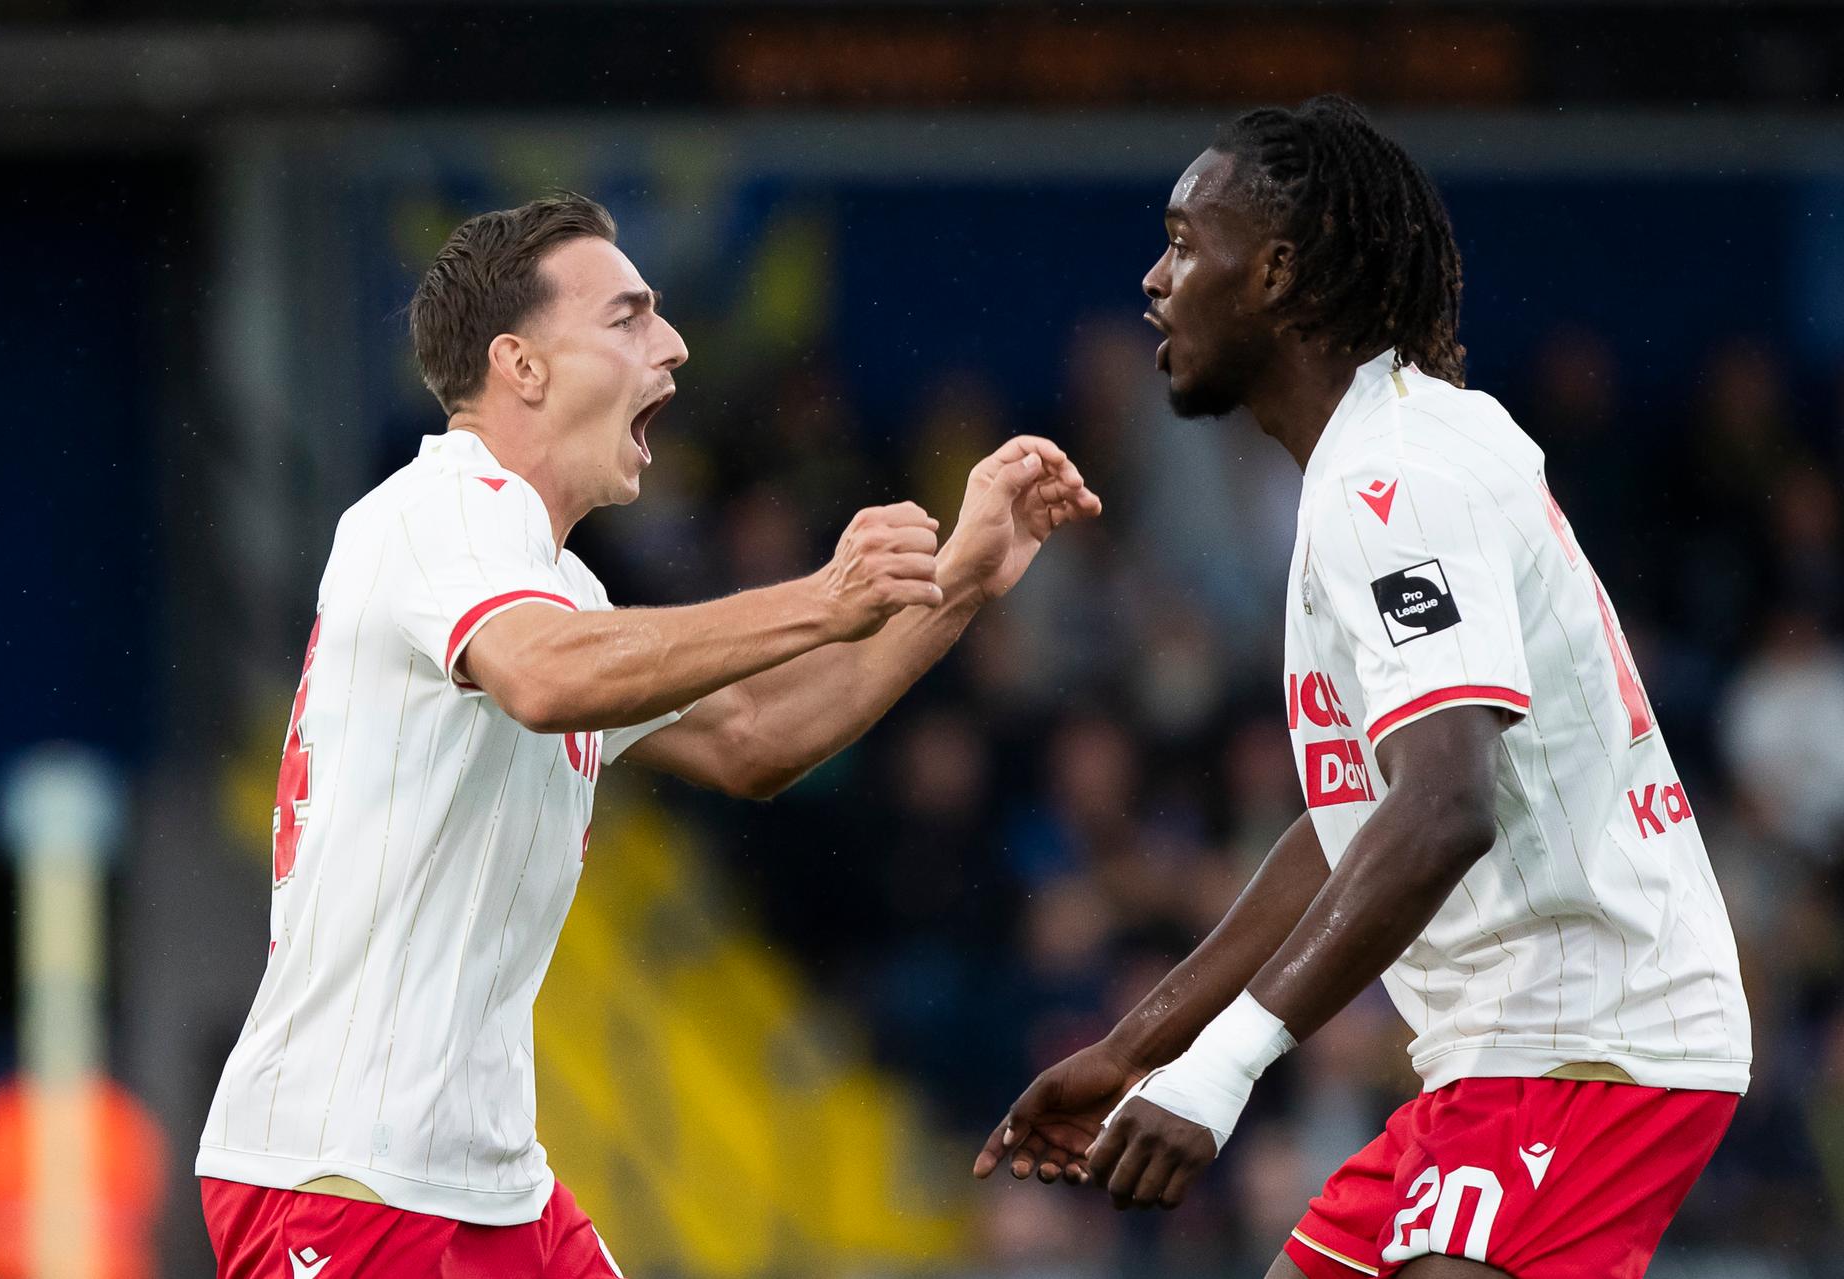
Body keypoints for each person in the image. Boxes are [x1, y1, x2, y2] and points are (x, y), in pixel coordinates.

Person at [195, 193, 1100, 1278]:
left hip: (489, 1180)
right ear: (520, 366)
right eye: (628, 317)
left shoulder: (556, 583)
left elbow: (757, 736)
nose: (671, 345)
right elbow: (538, 676)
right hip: (342, 1176)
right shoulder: (429, 514)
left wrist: (956, 582)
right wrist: (822, 595)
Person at [974, 94, 1750, 1279]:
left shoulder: (1395, 480)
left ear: (1278, 273)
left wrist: (1221, 1067)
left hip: (1588, 1039)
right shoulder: (1381, 456)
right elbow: (1358, 826)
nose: (1153, 279)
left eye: (1185, 244)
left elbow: (1444, 809)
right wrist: (1135, 1045)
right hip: (1506, 1053)